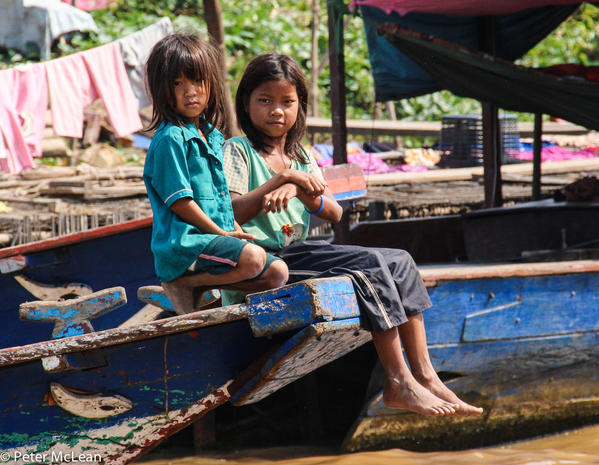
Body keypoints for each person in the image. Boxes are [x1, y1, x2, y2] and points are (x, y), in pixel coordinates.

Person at [222, 53, 483, 417]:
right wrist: (282, 180)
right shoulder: (239, 150)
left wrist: (303, 190)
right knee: (370, 267)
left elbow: (334, 211)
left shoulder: (300, 153)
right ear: (246, 104)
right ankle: (398, 382)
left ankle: (426, 375)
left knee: (401, 261)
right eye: (265, 101)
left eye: (287, 102)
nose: (276, 111)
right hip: (265, 264)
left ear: (300, 106)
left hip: (298, 251)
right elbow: (233, 210)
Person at [143, 34, 288, 315]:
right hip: (186, 243)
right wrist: (221, 232)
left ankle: (213, 299)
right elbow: (179, 201)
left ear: (210, 84)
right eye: (178, 83)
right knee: (253, 260)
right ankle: (184, 283)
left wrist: (234, 229)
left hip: (215, 239)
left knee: (278, 273)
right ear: (161, 89)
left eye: (198, 81)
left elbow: (221, 196)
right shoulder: (170, 139)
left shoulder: (212, 136)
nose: (191, 92)